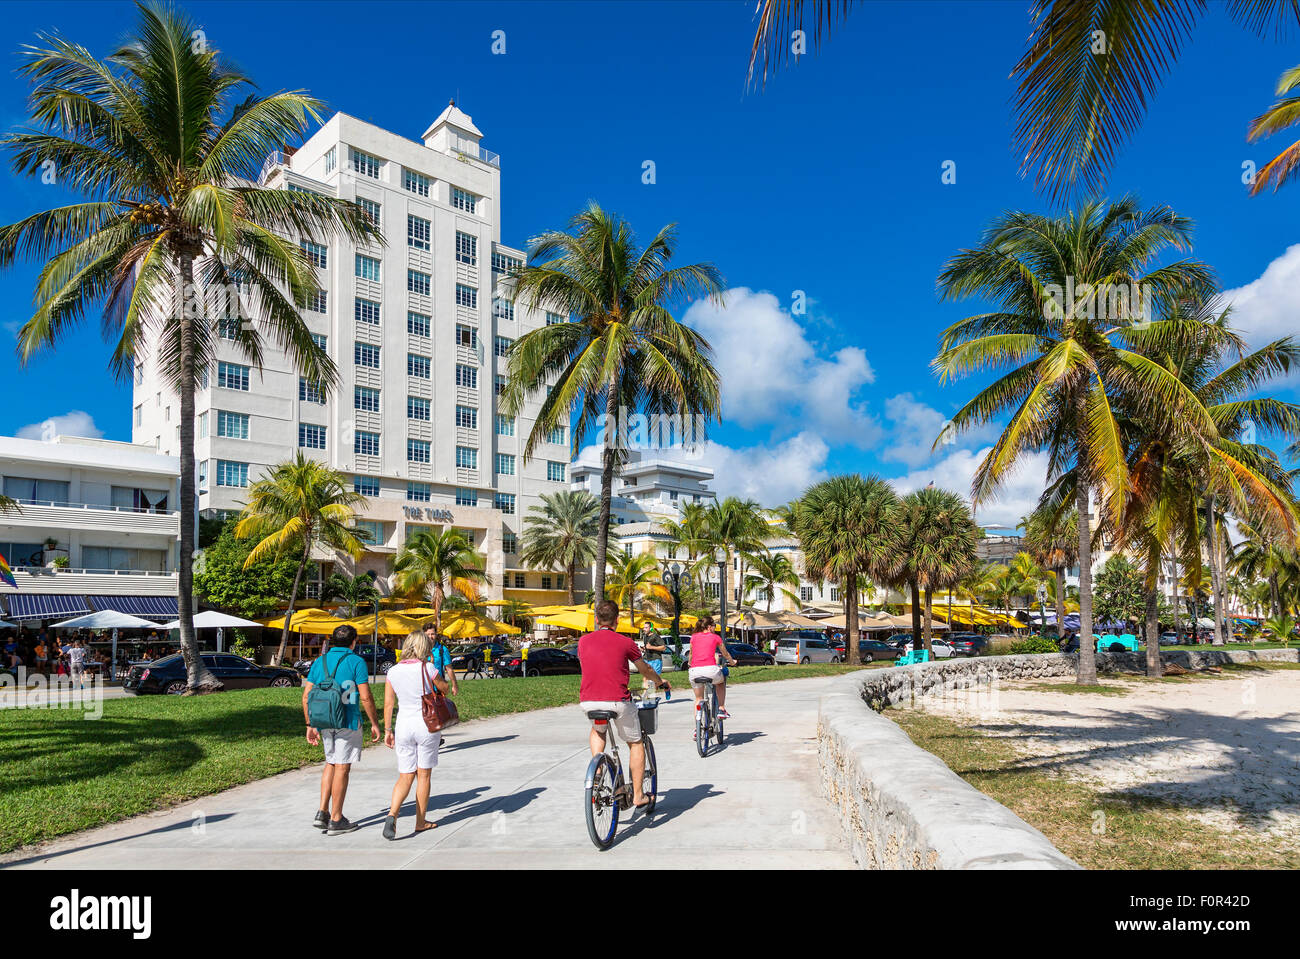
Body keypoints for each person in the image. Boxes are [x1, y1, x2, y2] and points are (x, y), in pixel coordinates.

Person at [577, 600, 670, 809]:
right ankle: (638, 795)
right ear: (617, 620)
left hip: (589, 701)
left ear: (596, 620)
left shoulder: (583, 642)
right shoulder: (625, 642)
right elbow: (644, 669)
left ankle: (598, 766)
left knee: (597, 730)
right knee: (636, 743)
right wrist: (659, 681)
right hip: (618, 701)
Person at [303, 624, 380, 835]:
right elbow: (364, 696)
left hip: (324, 720)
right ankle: (336, 819)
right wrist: (375, 723)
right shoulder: (356, 661)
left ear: (333, 641)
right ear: (354, 642)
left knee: (330, 762)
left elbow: (306, 695)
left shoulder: (320, 662)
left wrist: (310, 724)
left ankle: (322, 811)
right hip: (347, 720)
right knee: (343, 767)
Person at [382, 629, 450, 840]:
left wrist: (387, 730)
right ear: (423, 647)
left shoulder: (393, 671)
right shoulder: (428, 668)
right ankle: (420, 821)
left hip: (403, 725)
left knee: (405, 775)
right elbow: (445, 689)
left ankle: (392, 814)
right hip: (426, 725)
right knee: (424, 775)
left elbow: (388, 703)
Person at [688, 615, 736, 721]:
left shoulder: (694, 637)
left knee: (698, 699)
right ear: (709, 627)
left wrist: (690, 663)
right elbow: (725, 654)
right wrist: (732, 662)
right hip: (710, 670)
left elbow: (691, 654)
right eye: (714, 626)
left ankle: (697, 729)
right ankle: (721, 708)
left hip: (694, 671)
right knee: (720, 682)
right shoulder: (715, 637)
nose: (715, 628)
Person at [422, 622, 459, 696]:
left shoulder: (442, 649)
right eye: (428, 634)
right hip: (423, 688)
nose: (430, 636)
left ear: (436, 635)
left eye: (432, 634)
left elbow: (449, 669)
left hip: (438, 688)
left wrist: (454, 685)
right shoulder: (420, 649)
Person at [637, 622, 666, 700]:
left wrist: (651, 647)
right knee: (645, 678)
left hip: (656, 660)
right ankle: (646, 695)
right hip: (647, 659)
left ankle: (665, 685)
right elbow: (647, 647)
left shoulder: (656, 636)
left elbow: (663, 647)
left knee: (655, 680)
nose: (644, 629)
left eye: (646, 627)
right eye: (644, 627)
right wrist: (643, 648)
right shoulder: (645, 636)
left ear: (651, 628)